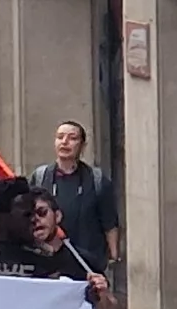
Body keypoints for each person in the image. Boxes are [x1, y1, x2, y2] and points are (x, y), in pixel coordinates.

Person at [39, 120, 118, 283]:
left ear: (82, 145)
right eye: (60, 137)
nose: (65, 142)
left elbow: (109, 222)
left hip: (87, 263)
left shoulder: (96, 180)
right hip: (49, 263)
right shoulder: (41, 177)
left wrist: (113, 255)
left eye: (72, 138)